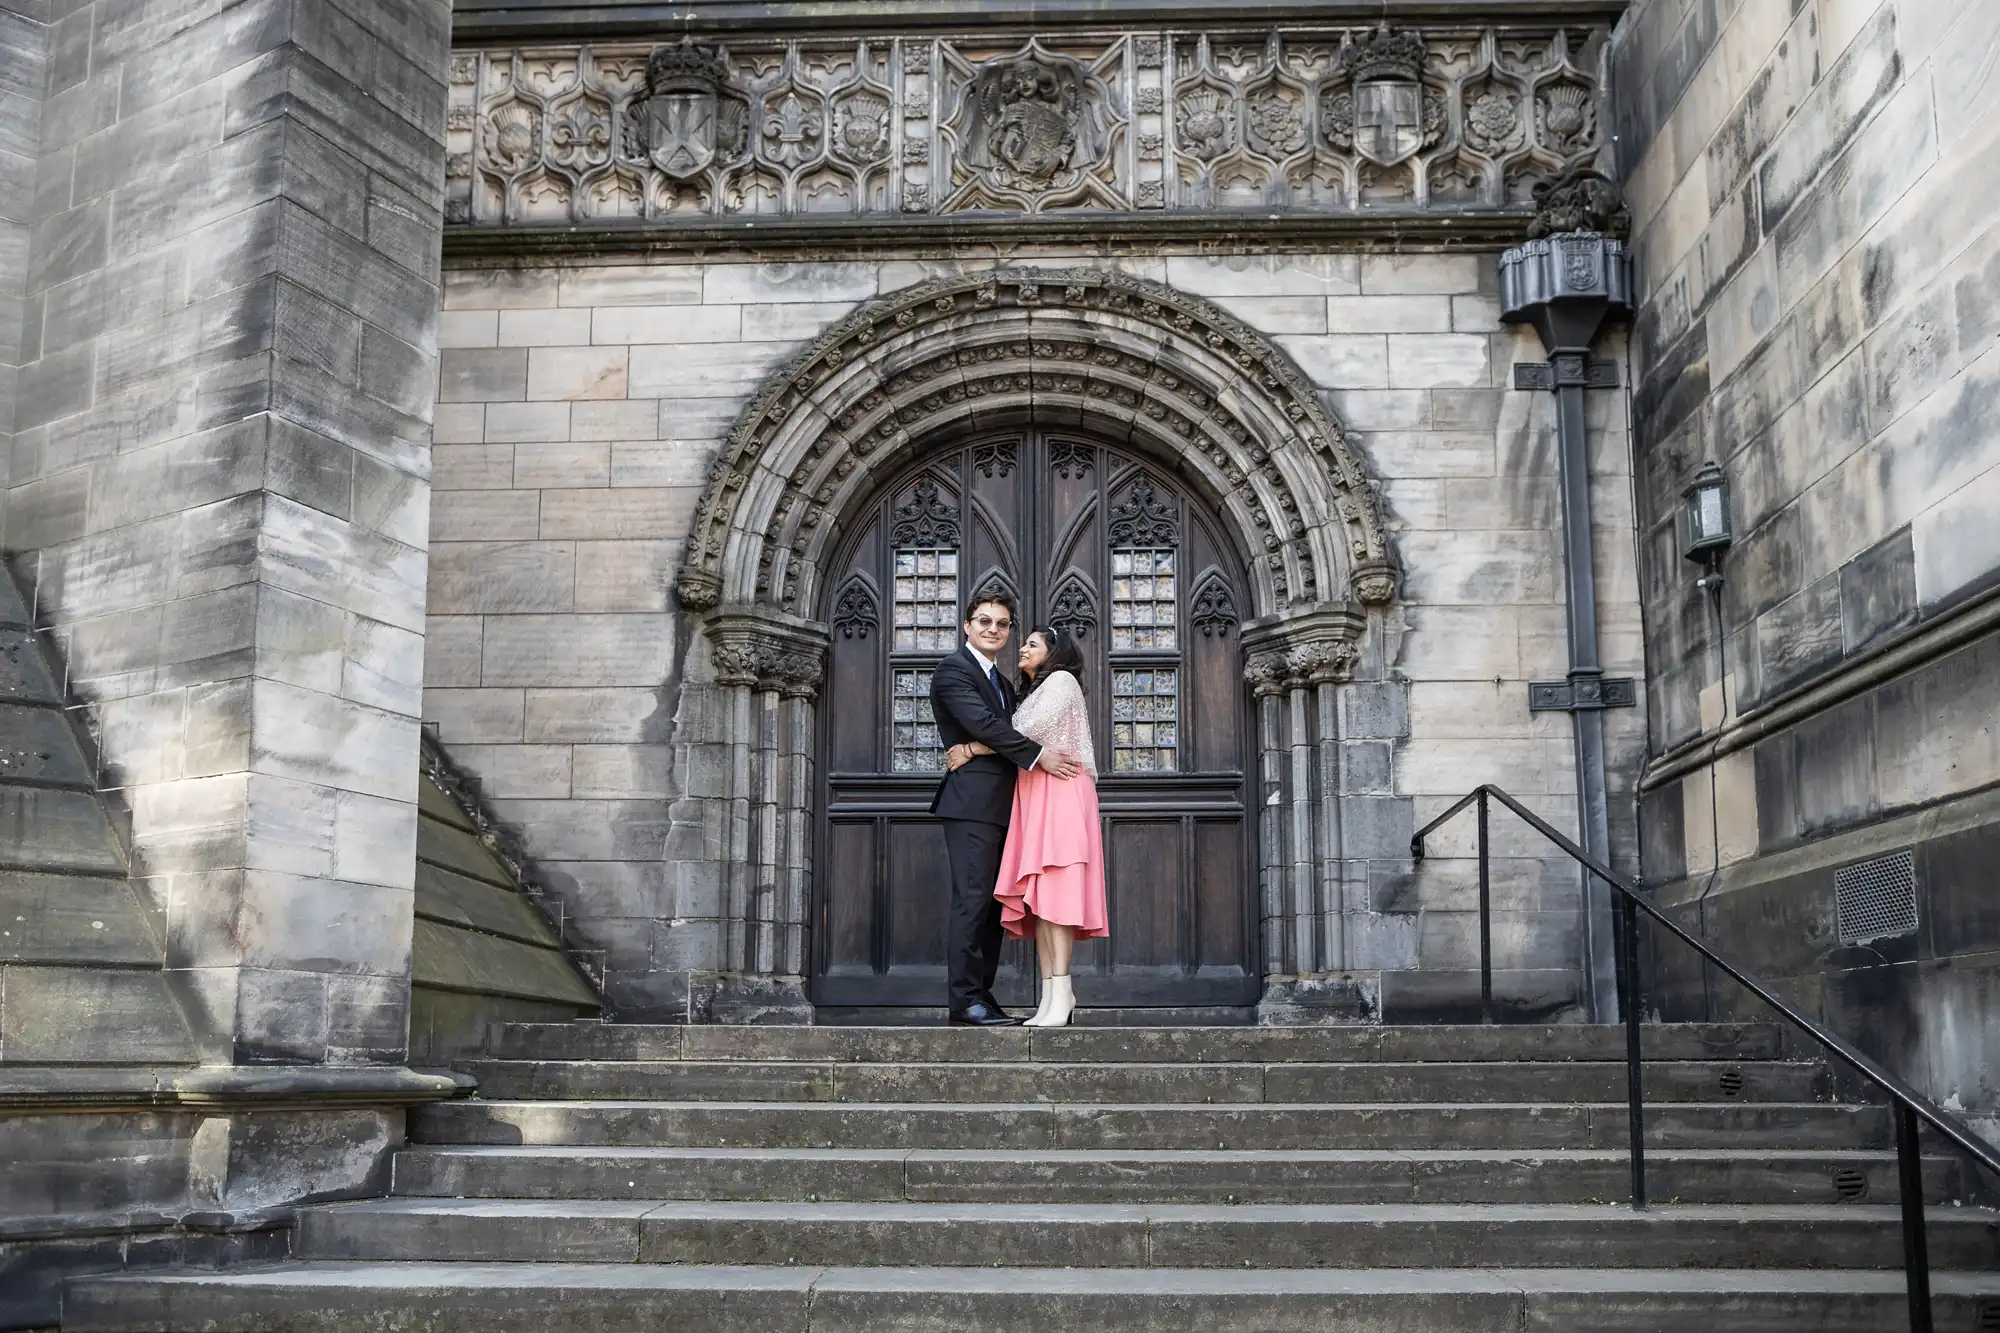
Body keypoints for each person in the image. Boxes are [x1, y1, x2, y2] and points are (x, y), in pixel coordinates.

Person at [928, 594, 1081, 1027]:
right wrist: (1038, 757)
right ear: (967, 626)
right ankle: (965, 1002)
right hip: (972, 804)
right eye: (985, 621)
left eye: (1002, 623)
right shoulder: (953, 670)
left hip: (1010, 806)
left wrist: (974, 748)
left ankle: (984, 996)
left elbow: (1004, 730)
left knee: (994, 907)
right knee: (973, 901)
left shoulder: (1003, 681)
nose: (994, 629)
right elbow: (988, 724)